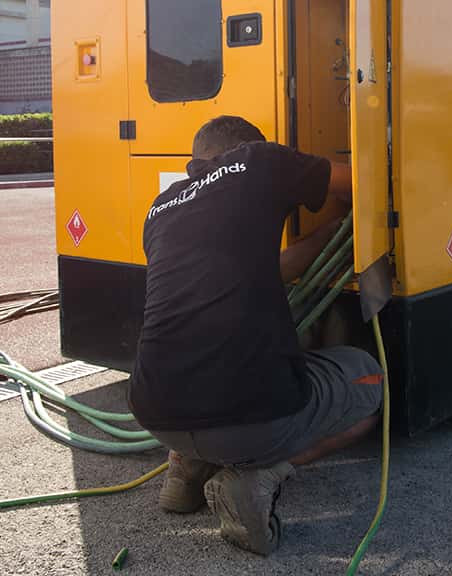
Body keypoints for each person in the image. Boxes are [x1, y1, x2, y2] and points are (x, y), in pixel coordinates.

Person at [128, 116, 383, 556]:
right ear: (246, 146)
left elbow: (267, 269)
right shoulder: (260, 161)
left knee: (210, 382)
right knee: (370, 383)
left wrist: (324, 236)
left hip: (155, 413)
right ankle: (256, 477)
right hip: (247, 418)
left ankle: (186, 468)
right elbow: (366, 183)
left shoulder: (160, 207)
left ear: (195, 159)